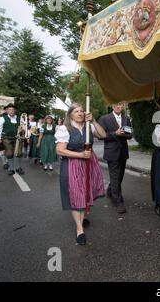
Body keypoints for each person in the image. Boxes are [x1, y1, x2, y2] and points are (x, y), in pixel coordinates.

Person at [55, 103, 106, 245]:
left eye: (82, 111)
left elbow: (103, 135)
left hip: (89, 163)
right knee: (77, 195)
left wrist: (94, 121)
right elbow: (59, 150)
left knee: (85, 193)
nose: (80, 113)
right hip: (73, 165)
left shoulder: (88, 127)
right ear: (70, 114)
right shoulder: (65, 129)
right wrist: (80, 155)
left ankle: (83, 218)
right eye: (76, 111)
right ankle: (79, 229)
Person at [98, 102, 133, 214]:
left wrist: (125, 134)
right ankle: (118, 202)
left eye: (120, 105)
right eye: (116, 105)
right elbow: (100, 136)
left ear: (123, 106)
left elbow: (130, 135)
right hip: (111, 152)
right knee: (114, 176)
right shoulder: (104, 118)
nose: (118, 106)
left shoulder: (126, 118)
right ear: (112, 106)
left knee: (120, 175)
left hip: (123, 152)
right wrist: (115, 133)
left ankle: (110, 190)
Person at [0, 104, 26, 175]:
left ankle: (18, 167)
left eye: (13, 109)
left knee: (19, 153)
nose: (12, 111)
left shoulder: (19, 118)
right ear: (7, 111)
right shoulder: (3, 118)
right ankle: (11, 168)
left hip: (18, 138)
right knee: (9, 153)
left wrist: (23, 131)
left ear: (15, 110)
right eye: (10, 109)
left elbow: (24, 128)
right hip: (7, 138)